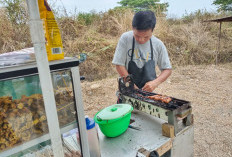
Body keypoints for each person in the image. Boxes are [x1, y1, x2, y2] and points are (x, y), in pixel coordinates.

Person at [112, 10, 172, 92]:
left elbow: (167, 69)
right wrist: (131, 84)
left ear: (152, 30)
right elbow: (119, 64)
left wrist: (155, 83)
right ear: (133, 28)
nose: (141, 40)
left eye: (146, 37)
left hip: (147, 93)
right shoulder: (125, 39)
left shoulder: (158, 44)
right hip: (127, 89)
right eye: (137, 35)